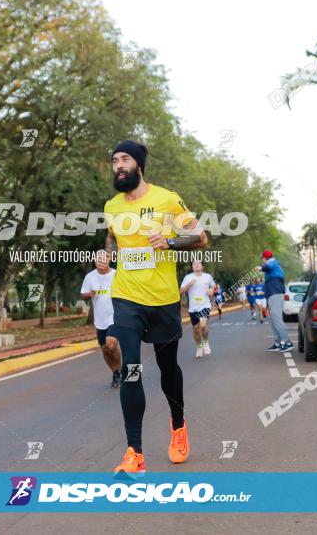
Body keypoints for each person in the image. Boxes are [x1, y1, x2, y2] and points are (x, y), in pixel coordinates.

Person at [103, 140, 208, 477]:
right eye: (115, 160)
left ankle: (178, 426)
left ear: (139, 165)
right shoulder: (112, 206)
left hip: (162, 299)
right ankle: (135, 454)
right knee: (131, 368)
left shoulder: (166, 198)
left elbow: (200, 237)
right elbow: (111, 238)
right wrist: (107, 254)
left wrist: (171, 241)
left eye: (125, 159)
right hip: (126, 297)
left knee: (167, 369)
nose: (118, 165)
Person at [80, 250, 122, 388]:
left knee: (111, 344)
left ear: (109, 259)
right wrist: (88, 294)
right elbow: (83, 295)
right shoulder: (90, 277)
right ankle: (116, 372)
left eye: (104, 258)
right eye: (98, 259)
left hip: (115, 317)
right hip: (100, 320)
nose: (101, 261)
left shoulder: (117, 275)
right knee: (105, 349)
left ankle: (120, 370)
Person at [179, 260, 215, 358]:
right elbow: (181, 291)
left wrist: (211, 290)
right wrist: (189, 285)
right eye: (194, 264)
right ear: (192, 267)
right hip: (193, 308)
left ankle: (206, 342)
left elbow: (213, 286)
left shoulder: (208, 277)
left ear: (202, 266)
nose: (197, 265)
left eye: (199, 263)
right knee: (196, 329)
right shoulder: (188, 277)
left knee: (203, 325)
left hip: (205, 305)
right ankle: (199, 346)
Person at [261, 250, 294, 353]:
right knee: (272, 320)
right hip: (271, 294)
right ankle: (278, 343)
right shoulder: (272, 266)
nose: (262, 260)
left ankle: (288, 343)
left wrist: (261, 267)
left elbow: (268, 266)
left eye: (262, 258)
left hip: (275, 294)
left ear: (265, 258)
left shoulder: (273, 263)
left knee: (277, 319)